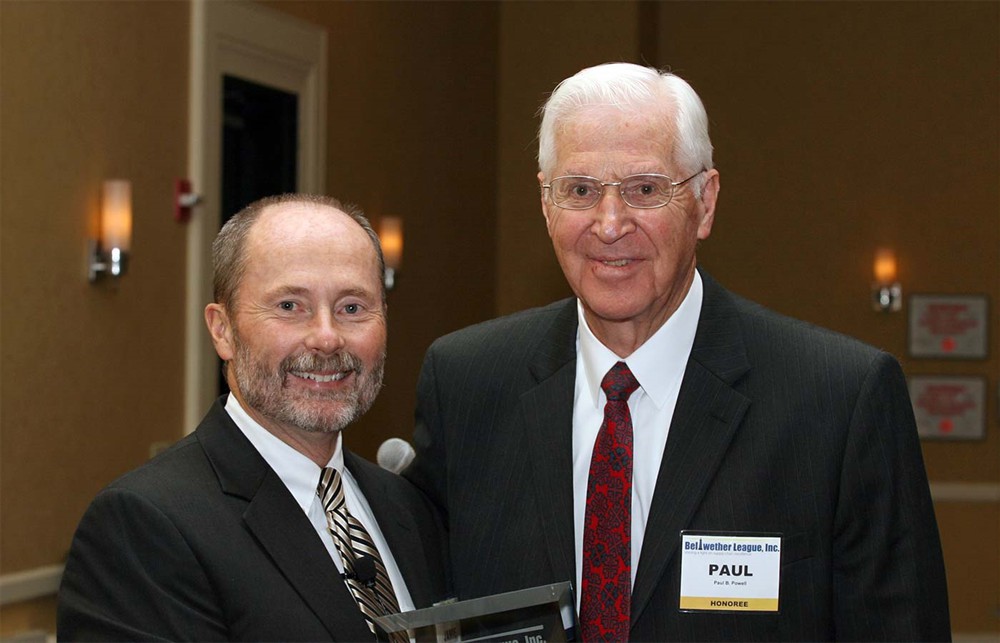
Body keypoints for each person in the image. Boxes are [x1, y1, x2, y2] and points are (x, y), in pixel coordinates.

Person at [404, 63, 950, 641]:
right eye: (580, 191)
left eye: (645, 189)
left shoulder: (839, 399)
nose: (610, 225)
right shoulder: (466, 383)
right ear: (545, 204)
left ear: (705, 202)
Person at [58, 194, 448, 641]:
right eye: (289, 306)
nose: (326, 338)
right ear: (222, 330)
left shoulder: (409, 509)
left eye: (352, 308)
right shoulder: (142, 527)